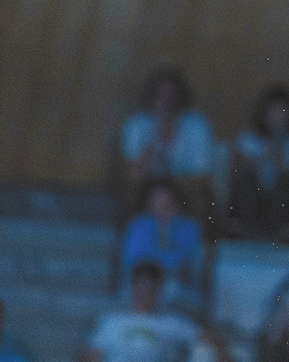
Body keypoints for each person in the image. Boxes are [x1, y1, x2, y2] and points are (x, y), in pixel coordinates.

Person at [85, 261, 229, 362]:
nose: (145, 293)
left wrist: (223, 354)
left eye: (151, 288)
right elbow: (91, 355)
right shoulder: (111, 322)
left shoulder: (172, 323)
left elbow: (214, 340)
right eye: (141, 286)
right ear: (133, 288)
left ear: (158, 290)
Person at [228, 85, 289, 238]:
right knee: (247, 182)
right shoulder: (249, 138)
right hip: (253, 198)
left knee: (284, 183)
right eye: (273, 111)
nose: (277, 116)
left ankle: (272, 233)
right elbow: (236, 170)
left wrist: (280, 160)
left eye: (282, 111)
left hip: (286, 202)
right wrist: (263, 156)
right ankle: (249, 231)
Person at [119, 66, 215, 218]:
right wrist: (156, 136)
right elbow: (132, 173)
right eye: (160, 96)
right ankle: (132, 237)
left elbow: (202, 175)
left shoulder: (196, 125)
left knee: (199, 195)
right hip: (148, 184)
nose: (166, 102)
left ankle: (197, 238)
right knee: (132, 189)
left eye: (171, 96)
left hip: (183, 184)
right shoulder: (137, 124)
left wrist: (172, 184)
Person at [120, 180, 204, 309]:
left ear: (175, 202)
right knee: (137, 289)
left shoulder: (189, 227)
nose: (161, 204)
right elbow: (133, 257)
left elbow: (186, 258)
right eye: (157, 199)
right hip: (144, 277)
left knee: (173, 290)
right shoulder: (138, 225)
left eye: (166, 201)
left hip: (175, 280)